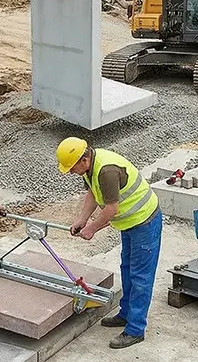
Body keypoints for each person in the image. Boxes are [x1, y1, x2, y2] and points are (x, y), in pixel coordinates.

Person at [57, 137, 161, 350]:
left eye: (71, 167)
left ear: (84, 159)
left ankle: (135, 329)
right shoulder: (91, 167)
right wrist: (82, 219)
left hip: (145, 222)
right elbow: (93, 194)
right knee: (127, 268)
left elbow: (112, 209)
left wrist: (91, 229)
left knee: (141, 276)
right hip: (130, 224)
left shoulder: (106, 171)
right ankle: (125, 314)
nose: (69, 172)